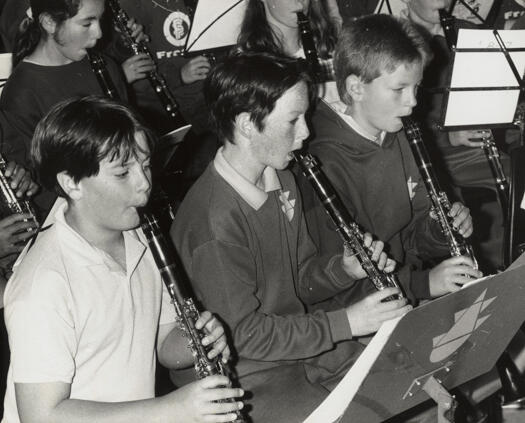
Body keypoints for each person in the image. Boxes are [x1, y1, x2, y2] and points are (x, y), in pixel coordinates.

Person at [170, 51, 411, 422]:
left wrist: (344, 270)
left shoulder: (279, 176)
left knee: (407, 386)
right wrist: (347, 323)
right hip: (245, 374)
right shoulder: (213, 222)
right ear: (248, 124)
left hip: (297, 346)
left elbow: (300, 280)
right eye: (293, 120)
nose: (306, 133)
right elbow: (245, 335)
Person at [2, 95, 244, 423]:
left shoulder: (139, 234)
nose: (145, 184)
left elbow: (162, 343)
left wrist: (196, 342)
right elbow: (41, 415)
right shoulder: (43, 283)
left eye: (145, 165)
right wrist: (175, 409)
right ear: (71, 183)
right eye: (122, 173)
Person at [295, 14, 482, 313]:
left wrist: (439, 227)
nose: (413, 102)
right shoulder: (324, 164)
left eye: (416, 87)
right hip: (362, 313)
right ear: (356, 88)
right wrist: (425, 284)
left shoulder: (396, 133)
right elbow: (341, 283)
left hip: (405, 291)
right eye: (399, 89)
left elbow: (411, 239)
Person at [0, 0, 152, 216]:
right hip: (81, 215)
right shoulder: (22, 92)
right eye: (86, 24)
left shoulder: (106, 66)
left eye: (100, 20)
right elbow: (41, 184)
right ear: (49, 23)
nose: (99, 33)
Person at [405, 0, 510, 272]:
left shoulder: (471, 33)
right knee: (505, 189)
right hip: (438, 158)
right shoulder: (398, 40)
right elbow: (401, 123)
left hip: (485, 150)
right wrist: (447, 133)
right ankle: (497, 272)